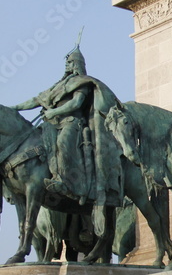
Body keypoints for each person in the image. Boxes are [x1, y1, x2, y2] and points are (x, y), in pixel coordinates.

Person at [13, 42, 122, 206]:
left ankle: (64, 181)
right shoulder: (58, 85)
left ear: (77, 64)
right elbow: (36, 100)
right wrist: (14, 108)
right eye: (66, 62)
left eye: (70, 61)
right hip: (51, 124)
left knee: (62, 144)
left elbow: (76, 103)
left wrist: (54, 112)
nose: (67, 64)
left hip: (72, 123)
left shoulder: (81, 81)